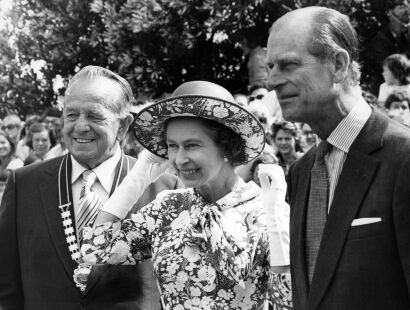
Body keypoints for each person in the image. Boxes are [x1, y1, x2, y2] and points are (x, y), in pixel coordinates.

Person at [80, 80, 293, 310]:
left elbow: (289, 300)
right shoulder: (169, 207)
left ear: (227, 147)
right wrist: (138, 176)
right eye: (173, 146)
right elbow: (96, 247)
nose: (180, 159)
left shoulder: (262, 209)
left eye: (192, 145)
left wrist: (277, 223)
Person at [0, 65, 180, 310]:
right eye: (72, 115)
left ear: (124, 126)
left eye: (94, 116)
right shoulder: (24, 185)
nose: (80, 126)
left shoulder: (165, 189)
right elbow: (7, 288)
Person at [267, 6, 410, 310]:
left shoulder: (404, 158)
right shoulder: (301, 172)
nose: (272, 81)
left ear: (338, 65)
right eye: (270, 67)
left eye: (288, 65)